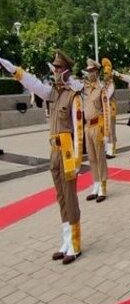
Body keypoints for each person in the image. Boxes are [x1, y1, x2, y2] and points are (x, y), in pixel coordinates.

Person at [1, 52, 84, 264]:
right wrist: (14, 70)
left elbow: (79, 132)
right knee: (61, 198)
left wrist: (76, 162)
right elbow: (34, 84)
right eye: (54, 69)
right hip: (54, 151)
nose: (55, 72)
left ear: (66, 71)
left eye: (58, 69)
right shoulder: (53, 93)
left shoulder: (73, 97)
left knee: (71, 198)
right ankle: (65, 241)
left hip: (66, 153)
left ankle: (75, 244)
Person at [83, 59, 110, 203]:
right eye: (88, 71)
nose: (89, 74)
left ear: (97, 72)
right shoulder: (86, 89)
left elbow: (106, 111)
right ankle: (96, 184)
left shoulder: (102, 90)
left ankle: (103, 187)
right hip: (88, 127)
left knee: (100, 158)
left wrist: (106, 133)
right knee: (92, 158)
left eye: (91, 71)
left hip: (98, 127)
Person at [101, 58, 117, 159]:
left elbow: (107, 95)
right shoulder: (104, 84)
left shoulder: (111, 84)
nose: (105, 75)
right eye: (104, 73)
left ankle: (112, 149)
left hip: (111, 107)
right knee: (106, 128)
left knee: (111, 129)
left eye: (107, 73)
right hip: (105, 107)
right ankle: (107, 148)